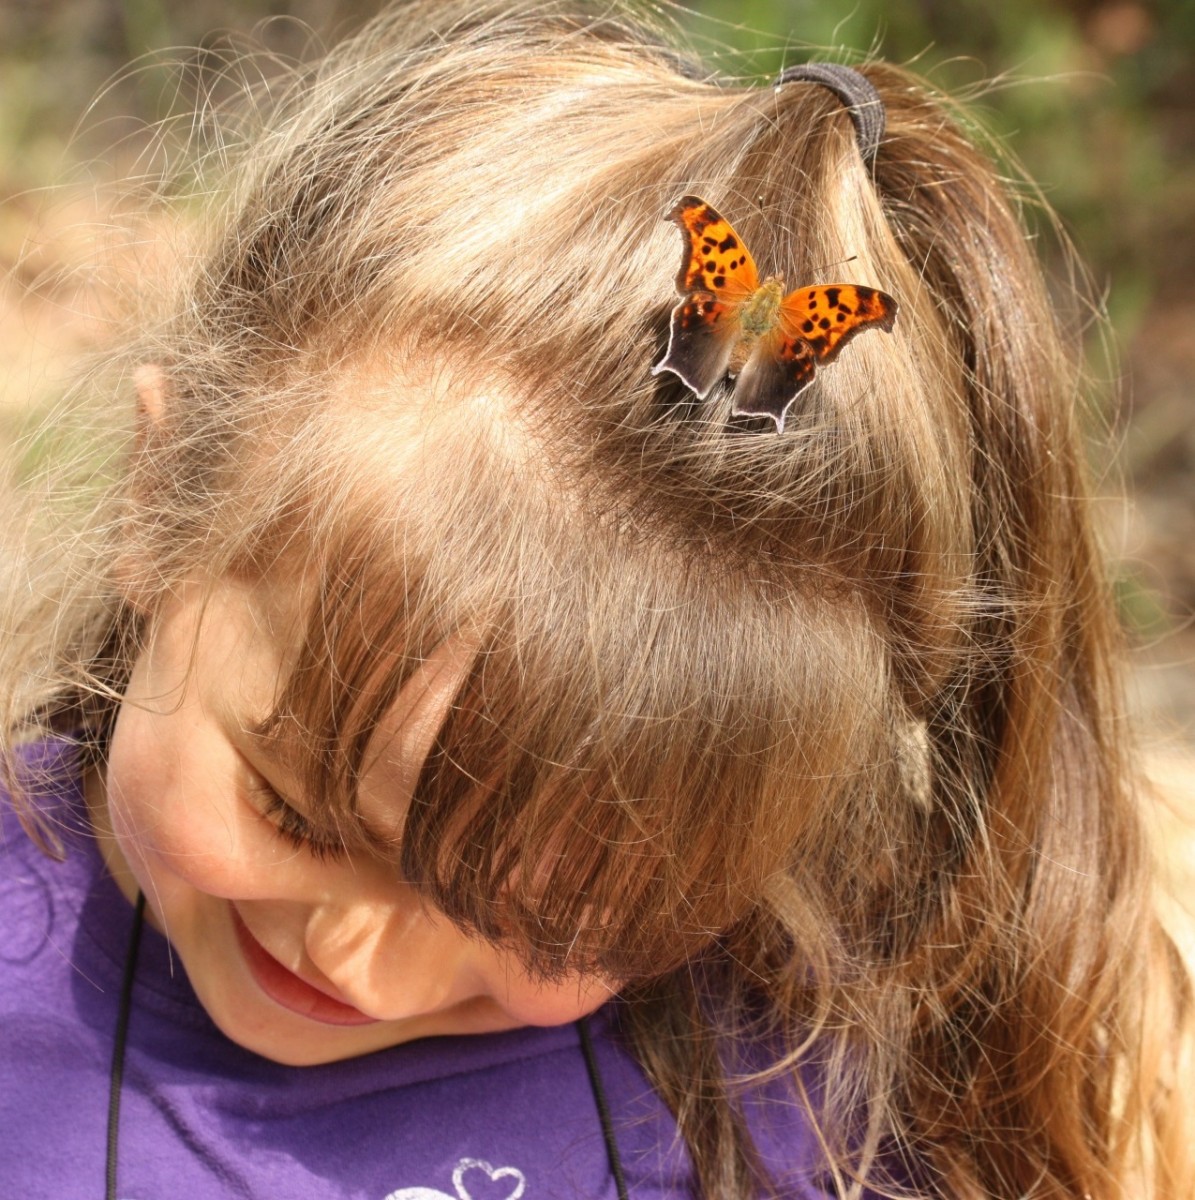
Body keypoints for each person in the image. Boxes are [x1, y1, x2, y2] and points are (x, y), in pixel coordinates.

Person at [0, 1, 1190, 1197]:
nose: (359, 963)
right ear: (159, 501)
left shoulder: (811, 1082)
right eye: (296, 813)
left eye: (550, 918)